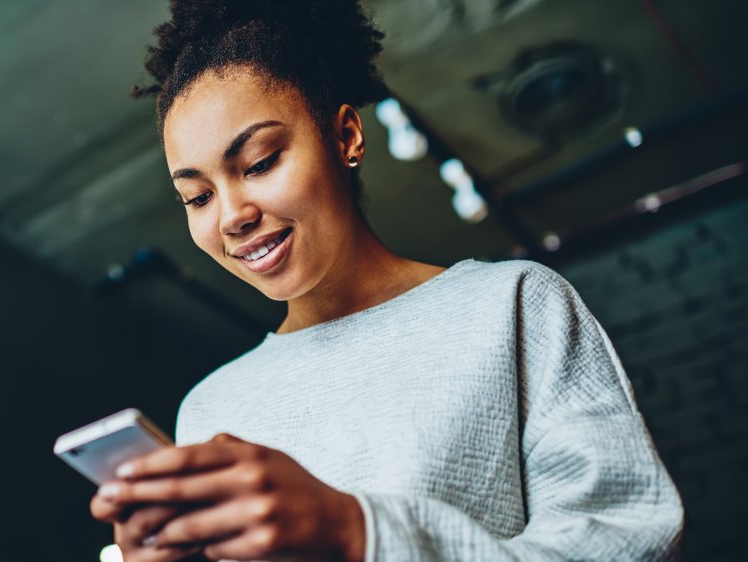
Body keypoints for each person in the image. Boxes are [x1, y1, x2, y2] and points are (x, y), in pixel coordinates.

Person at [90, 1, 684, 560]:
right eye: (196, 196)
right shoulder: (209, 408)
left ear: (345, 135)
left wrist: (357, 533)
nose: (231, 215)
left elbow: (630, 541)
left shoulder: (512, 306)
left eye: (261, 162)